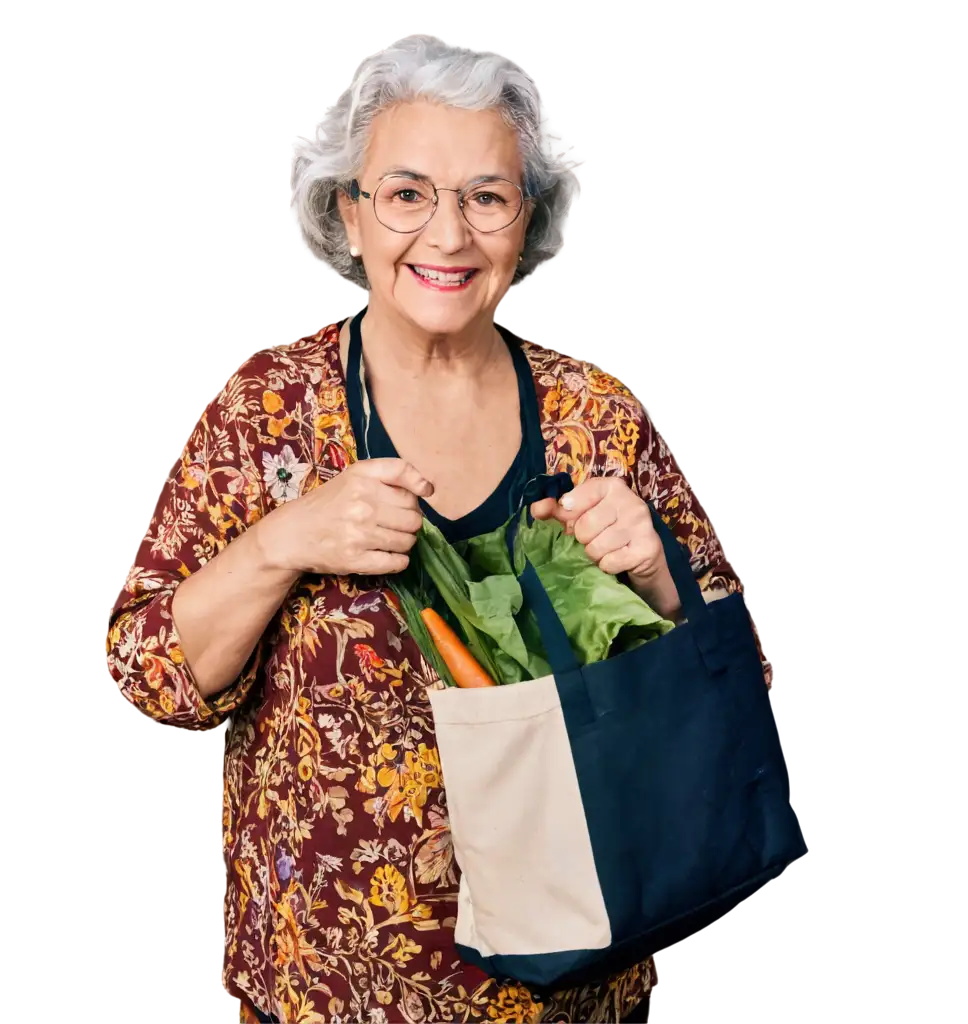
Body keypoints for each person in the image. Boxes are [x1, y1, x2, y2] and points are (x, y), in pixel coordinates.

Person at [104, 36, 771, 1024]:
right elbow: (145, 673)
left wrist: (660, 574)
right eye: (406, 193)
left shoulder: (597, 418)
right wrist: (281, 542)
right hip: (326, 991)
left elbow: (738, 677)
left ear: (525, 218)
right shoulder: (265, 415)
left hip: (580, 981)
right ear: (348, 211)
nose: (447, 235)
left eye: (486, 196)